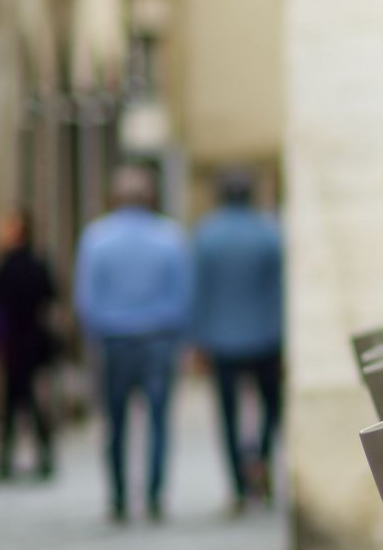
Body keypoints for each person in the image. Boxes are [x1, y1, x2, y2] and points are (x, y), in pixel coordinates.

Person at [73, 164, 191, 524]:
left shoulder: (96, 238)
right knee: (158, 420)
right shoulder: (170, 237)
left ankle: (119, 498)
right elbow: (182, 296)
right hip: (157, 338)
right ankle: (155, 496)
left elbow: (86, 299)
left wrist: (97, 332)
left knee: (115, 423)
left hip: (113, 340)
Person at [190, 168, 285, 514]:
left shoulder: (205, 235)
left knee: (227, 415)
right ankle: (260, 459)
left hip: (221, 340)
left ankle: (238, 484)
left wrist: (197, 340)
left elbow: (198, 292)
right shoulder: (269, 233)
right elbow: (280, 290)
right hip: (265, 337)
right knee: (271, 407)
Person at [0, 207, 58, 481]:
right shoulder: (32, 262)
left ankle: (12, 456)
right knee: (21, 401)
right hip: (26, 341)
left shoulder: (10, 264)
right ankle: (35, 453)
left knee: (17, 401)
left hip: (19, 342)